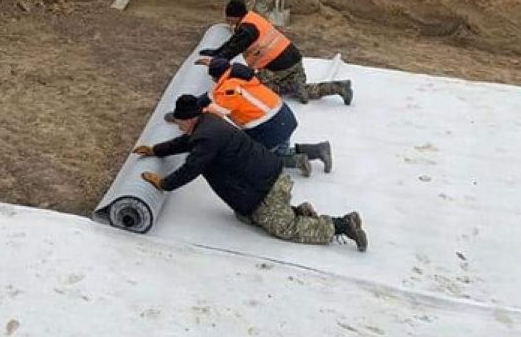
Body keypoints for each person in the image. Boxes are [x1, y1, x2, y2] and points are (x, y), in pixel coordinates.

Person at [133, 100, 367, 251]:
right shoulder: (209, 121)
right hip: (270, 177)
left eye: (179, 122)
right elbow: (187, 142)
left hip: (263, 189)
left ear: (191, 119)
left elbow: (191, 168)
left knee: (284, 229)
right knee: (247, 218)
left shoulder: (206, 137)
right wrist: (156, 150)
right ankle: (300, 212)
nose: (178, 126)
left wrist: (163, 183)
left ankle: (341, 225)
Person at [176, 58, 332, 175]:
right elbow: (209, 96)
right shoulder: (240, 77)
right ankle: (318, 149)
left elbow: (214, 113)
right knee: (280, 149)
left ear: (216, 78)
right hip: (284, 116)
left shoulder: (227, 91)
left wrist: (189, 116)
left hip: (269, 127)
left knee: (258, 157)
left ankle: (297, 161)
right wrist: (195, 103)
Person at [200, 0, 352, 105]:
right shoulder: (252, 19)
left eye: (228, 17)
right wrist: (215, 51)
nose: (226, 20)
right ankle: (337, 87)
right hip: (294, 60)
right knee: (301, 90)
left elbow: (233, 49)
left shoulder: (247, 30)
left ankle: (293, 86)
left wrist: (215, 61)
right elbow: (233, 43)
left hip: (279, 67)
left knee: (253, 86)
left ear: (235, 16)